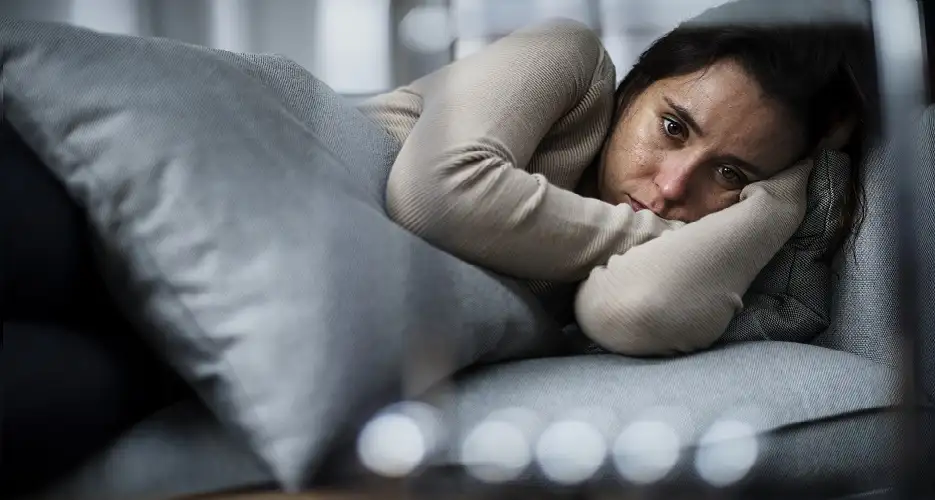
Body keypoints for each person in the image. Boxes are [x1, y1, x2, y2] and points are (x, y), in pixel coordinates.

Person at [358, 16, 873, 356]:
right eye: (672, 127)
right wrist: (675, 237)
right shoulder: (565, 55)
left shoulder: (611, 268)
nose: (671, 187)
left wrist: (785, 195)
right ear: (633, 91)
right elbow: (435, 195)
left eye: (730, 174)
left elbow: (634, 309)